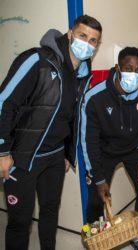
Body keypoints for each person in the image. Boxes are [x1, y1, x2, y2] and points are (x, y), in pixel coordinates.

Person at [0, 15, 102, 250]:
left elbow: (69, 116)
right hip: (23, 158)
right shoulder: (37, 59)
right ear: (69, 34)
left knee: (49, 212)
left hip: (55, 158)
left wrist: (67, 153)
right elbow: (4, 102)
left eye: (94, 40)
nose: (87, 43)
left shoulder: (83, 74)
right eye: (83, 36)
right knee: (20, 221)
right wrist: (3, 150)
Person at [81, 47, 138, 250]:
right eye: (128, 68)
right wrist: (99, 178)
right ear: (118, 68)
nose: (134, 74)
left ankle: (136, 234)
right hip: (104, 151)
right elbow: (89, 141)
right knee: (97, 200)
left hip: (134, 149)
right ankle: (97, 241)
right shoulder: (95, 97)